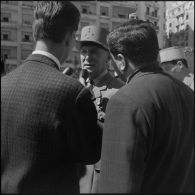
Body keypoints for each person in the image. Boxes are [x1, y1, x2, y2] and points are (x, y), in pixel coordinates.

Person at [1, 2, 102, 194]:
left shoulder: (3, 85)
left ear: (34, 34)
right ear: (70, 37)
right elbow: (90, 153)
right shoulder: (72, 92)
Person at [99, 19, 194, 193]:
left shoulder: (125, 100)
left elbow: (116, 184)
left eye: (111, 59)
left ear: (121, 59)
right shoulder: (188, 94)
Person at [77, 25, 124, 193]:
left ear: (108, 57)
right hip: (78, 173)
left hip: (102, 176)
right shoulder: (74, 88)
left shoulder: (119, 91)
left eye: (94, 51)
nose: (87, 57)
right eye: (84, 51)